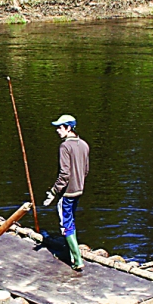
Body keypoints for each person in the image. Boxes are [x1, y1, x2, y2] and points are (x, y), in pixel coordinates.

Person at [43, 114, 89, 271]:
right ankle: (71, 254)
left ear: (68, 128)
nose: (57, 130)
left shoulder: (65, 146)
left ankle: (77, 259)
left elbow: (64, 174)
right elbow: (86, 170)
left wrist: (53, 192)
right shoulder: (84, 145)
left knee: (65, 223)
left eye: (60, 127)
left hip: (67, 193)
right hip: (79, 191)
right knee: (71, 221)